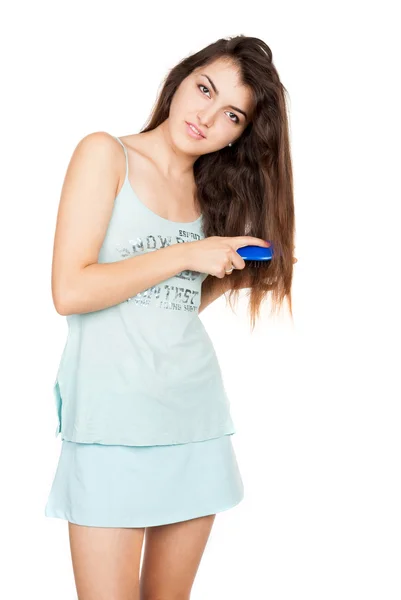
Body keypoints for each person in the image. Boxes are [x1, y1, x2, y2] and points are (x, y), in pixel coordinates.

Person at [44, 34, 296, 599]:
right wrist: (187, 254)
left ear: (240, 134)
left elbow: (166, 303)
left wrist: (220, 271)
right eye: (204, 89)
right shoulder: (105, 154)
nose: (207, 117)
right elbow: (70, 289)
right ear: (181, 78)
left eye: (232, 115)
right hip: (108, 423)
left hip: (193, 420)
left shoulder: (213, 194)